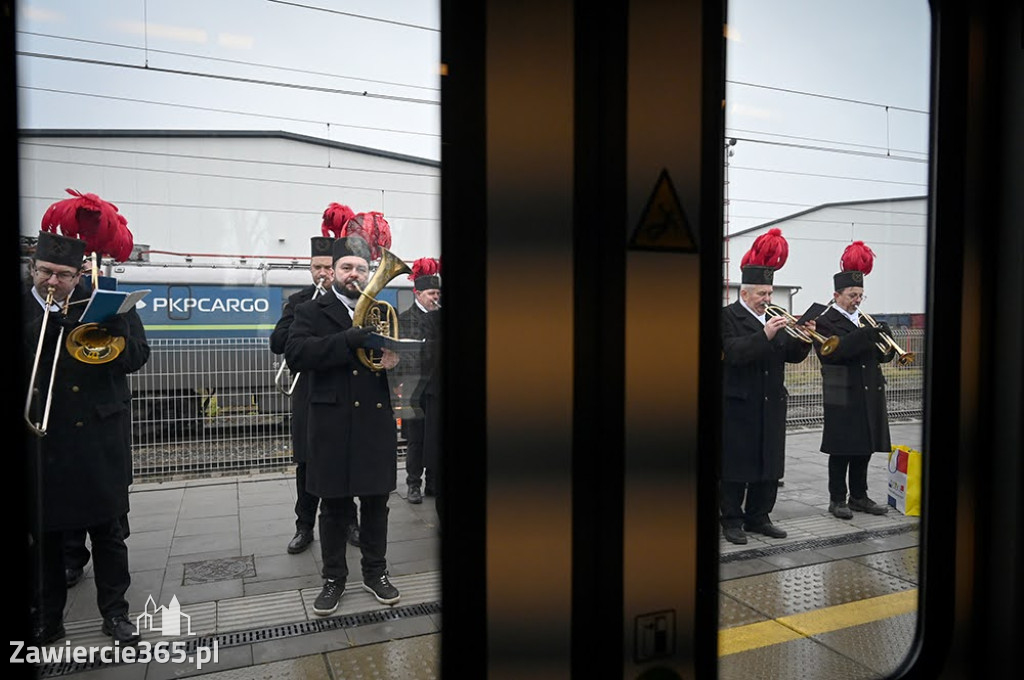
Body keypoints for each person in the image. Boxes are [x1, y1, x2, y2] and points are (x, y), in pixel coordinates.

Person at [23, 226, 150, 646]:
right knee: (46, 539)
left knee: (109, 535)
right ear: (33, 269)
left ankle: (116, 614)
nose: (53, 281)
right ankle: (48, 618)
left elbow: (138, 357)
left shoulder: (104, 303)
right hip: (45, 440)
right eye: (45, 272)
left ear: (78, 275)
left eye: (63, 274)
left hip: (99, 438)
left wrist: (114, 332)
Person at [284, 234, 403, 615]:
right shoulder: (309, 310)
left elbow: (401, 363)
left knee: (376, 503)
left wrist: (396, 362)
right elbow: (297, 353)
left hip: (373, 420)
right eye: (347, 268)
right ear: (332, 272)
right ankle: (333, 579)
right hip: (331, 422)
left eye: (362, 268)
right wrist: (347, 339)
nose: (354, 274)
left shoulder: (384, 309)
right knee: (333, 507)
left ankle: (375, 573)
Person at [720, 229, 812, 545]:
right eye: (762, 294)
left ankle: (760, 517)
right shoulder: (727, 317)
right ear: (744, 294)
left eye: (770, 294)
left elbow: (791, 355)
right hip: (739, 404)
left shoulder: (773, 318)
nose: (768, 300)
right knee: (736, 464)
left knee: (768, 463)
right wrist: (765, 336)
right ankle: (731, 519)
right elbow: (734, 353)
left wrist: (806, 339)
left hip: (771, 402)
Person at [270, 235, 360, 554]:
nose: (322, 273)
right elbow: (278, 342)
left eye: (327, 267)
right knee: (308, 463)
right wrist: (303, 317)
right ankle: (304, 526)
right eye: (316, 267)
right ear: (310, 269)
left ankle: (350, 522)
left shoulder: (351, 300)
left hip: (342, 393)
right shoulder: (299, 302)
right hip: (309, 393)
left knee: (345, 459)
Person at [815, 241, 893, 519]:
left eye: (860, 295)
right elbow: (833, 353)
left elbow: (880, 358)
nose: (857, 300)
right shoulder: (825, 321)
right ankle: (837, 499)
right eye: (851, 295)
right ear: (837, 295)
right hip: (842, 391)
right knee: (842, 449)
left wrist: (887, 343)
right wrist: (867, 335)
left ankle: (859, 496)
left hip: (869, 389)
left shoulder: (865, 321)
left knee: (864, 447)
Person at [396, 258, 441, 504]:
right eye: (431, 294)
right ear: (418, 293)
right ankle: (414, 484)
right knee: (416, 439)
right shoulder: (406, 319)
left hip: (437, 388)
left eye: (437, 293)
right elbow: (412, 353)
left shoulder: (440, 315)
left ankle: (434, 483)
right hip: (415, 389)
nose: (435, 298)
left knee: (436, 436)